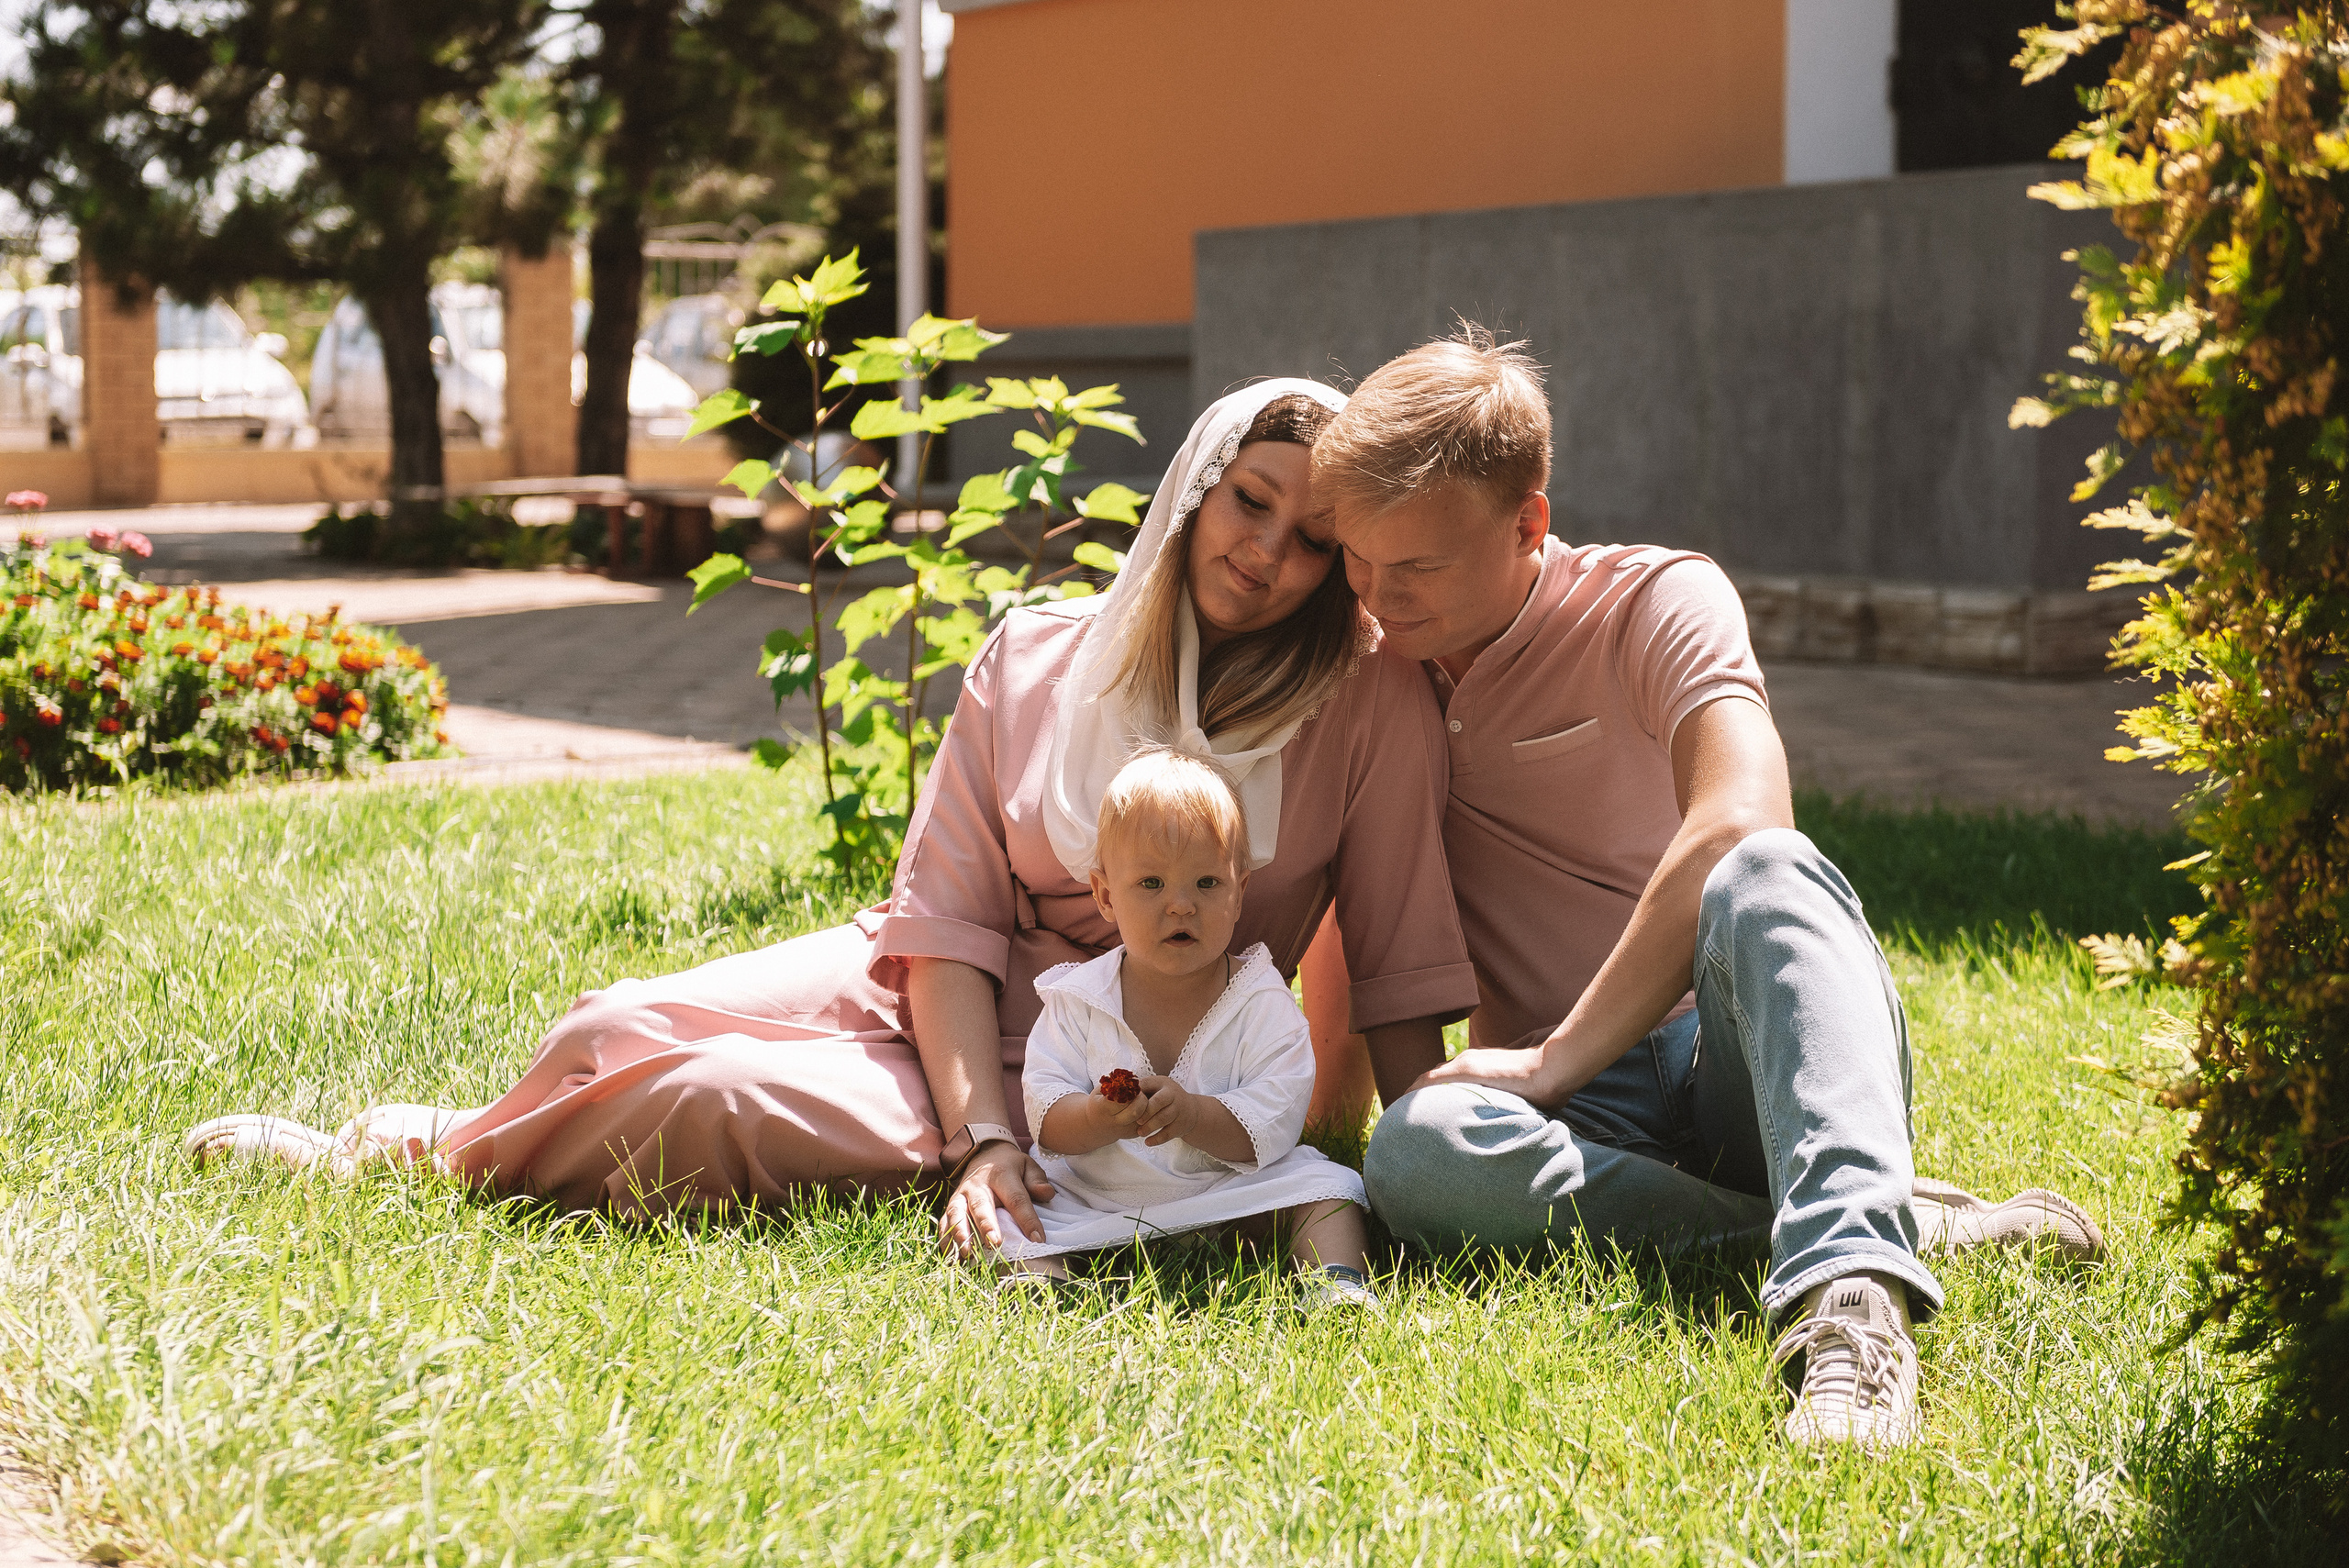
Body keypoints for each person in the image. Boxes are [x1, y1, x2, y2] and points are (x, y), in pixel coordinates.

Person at [184, 380, 1480, 1256]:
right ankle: (470, 1128)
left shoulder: (1365, 703)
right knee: (611, 1021)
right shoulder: (1039, 652)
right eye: (1250, 500)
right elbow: (949, 916)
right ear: (1196, 488)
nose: (1267, 552)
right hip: (928, 987)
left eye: (1314, 539)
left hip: (1081, 1069)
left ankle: (416, 1156)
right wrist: (976, 1137)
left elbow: (1395, 962)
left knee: (708, 1099)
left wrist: (1410, 1174)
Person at [1310, 329, 2105, 1451]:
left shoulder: (1658, 598)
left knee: (1770, 866)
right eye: (1357, 561)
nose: (1377, 599)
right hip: (1572, 1125)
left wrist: (1552, 1057)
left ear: (1527, 523)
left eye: (1415, 569)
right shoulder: (1370, 672)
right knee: (1410, 1149)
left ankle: (1850, 1310)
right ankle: (1869, 1218)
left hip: (1727, 1056)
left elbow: (1740, 814)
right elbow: (1368, 905)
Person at [988, 748, 1376, 1310]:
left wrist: (1193, 1115)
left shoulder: (1259, 999)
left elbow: (1277, 1112)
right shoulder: (1078, 1000)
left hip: (1228, 1191)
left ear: (1240, 892)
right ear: (1105, 895)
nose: (1180, 906)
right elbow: (1045, 1111)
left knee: (1328, 1187)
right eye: (1151, 883)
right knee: (1013, 1211)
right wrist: (1095, 1116)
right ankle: (1042, 1280)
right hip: (1097, 1195)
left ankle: (1335, 1283)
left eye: (1206, 883)